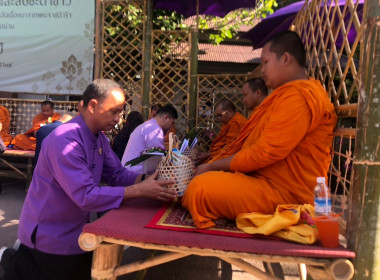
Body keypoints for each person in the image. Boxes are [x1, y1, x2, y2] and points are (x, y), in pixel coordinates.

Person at [0, 79, 177, 280]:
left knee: (81, 271)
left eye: (121, 112)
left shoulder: (99, 138)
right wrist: (140, 190)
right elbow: (85, 195)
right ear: (93, 106)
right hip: (49, 230)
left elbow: (116, 174)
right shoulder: (64, 140)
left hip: (77, 227)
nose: (119, 119)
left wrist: (147, 179)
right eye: (114, 112)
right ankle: (10, 259)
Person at [182, 31, 337, 229]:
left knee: (199, 189)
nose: (261, 70)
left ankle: (229, 208)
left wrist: (213, 166)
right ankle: (229, 209)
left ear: (286, 59)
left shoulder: (299, 98)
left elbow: (264, 153)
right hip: (262, 182)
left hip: (285, 193)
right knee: (201, 179)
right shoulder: (285, 96)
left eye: (265, 62)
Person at [207, 78, 269, 163]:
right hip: (239, 159)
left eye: (245, 95)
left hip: (247, 161)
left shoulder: (237, 123)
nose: (243, 99)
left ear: (258, 93)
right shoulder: (254, 115)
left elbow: (233, 149)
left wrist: (211, 162)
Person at [121, 104, 178, 173]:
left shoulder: (148, 125)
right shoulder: (154, 129)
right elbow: (158, 159)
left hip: (130, 172)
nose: (171, 126)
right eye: (172, 123)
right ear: (166, 118)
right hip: (134, 175)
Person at [195, 100, 247, 165]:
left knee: (205, 167)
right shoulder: (228, 123)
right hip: (222, 155)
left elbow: (229, 150)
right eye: (217, 116)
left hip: (231, 158)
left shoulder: (236, 124)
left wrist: (208, 155)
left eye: (220, 115)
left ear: (230, 111)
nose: (219, 119)